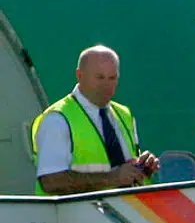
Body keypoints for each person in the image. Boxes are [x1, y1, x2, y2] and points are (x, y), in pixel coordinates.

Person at [29, 45, 159, 196]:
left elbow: (125, 170)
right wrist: (112, 178)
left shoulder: (124, 114)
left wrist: (142, 168)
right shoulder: (57, 119)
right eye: (100, 77)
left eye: (112, 78)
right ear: (79, 76)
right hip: (76, 211)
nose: (106, 85)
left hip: (123, 208)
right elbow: (51, 182)